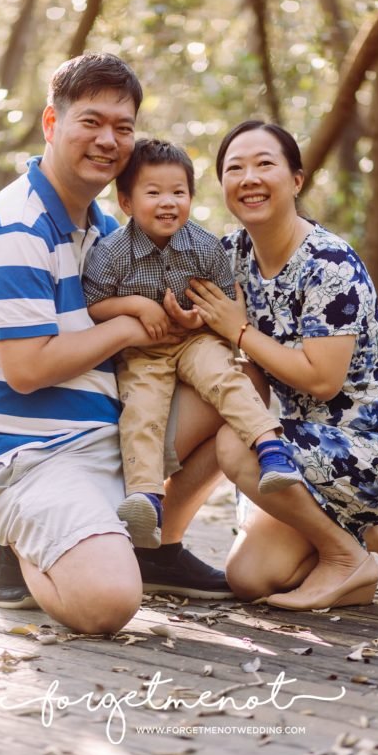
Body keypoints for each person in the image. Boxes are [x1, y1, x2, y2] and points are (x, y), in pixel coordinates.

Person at [0, 53, 230, 632]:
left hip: (110, 437)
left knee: (239, 383)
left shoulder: (104, 229)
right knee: (107, 604)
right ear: (52, 124)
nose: (109, 140)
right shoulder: (16, 227)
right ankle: (18, 544)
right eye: (91, 122)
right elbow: (26, 369)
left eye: (123, 128)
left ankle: (154, 543)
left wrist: (189, 318)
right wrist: (128, 325)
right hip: (29, 461)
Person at [165, 119, 378, 611]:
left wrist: (239, 330)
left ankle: (347, 555)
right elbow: (181, 305)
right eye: (235, 168)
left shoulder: (330, 265)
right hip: (303, 447)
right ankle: (372, 533)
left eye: (265, 164)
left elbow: (323, 381)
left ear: (296, 180)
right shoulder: (229, 255)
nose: (249, 178)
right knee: (250, 579)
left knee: (237, 441)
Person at [81, 138, 287, 549]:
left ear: (191, 197)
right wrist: (138, 305)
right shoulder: (111, 253)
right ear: (126, 201)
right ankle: (146, 497)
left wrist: (199, 318)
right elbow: (94, 304)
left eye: (178, 192)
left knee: (225, 378)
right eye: (153, 192)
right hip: (143, 352)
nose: (168, 203)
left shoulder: (205, 246)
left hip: (196, 339)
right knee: (142, 408)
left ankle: (270, 448)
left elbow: (229, 301)